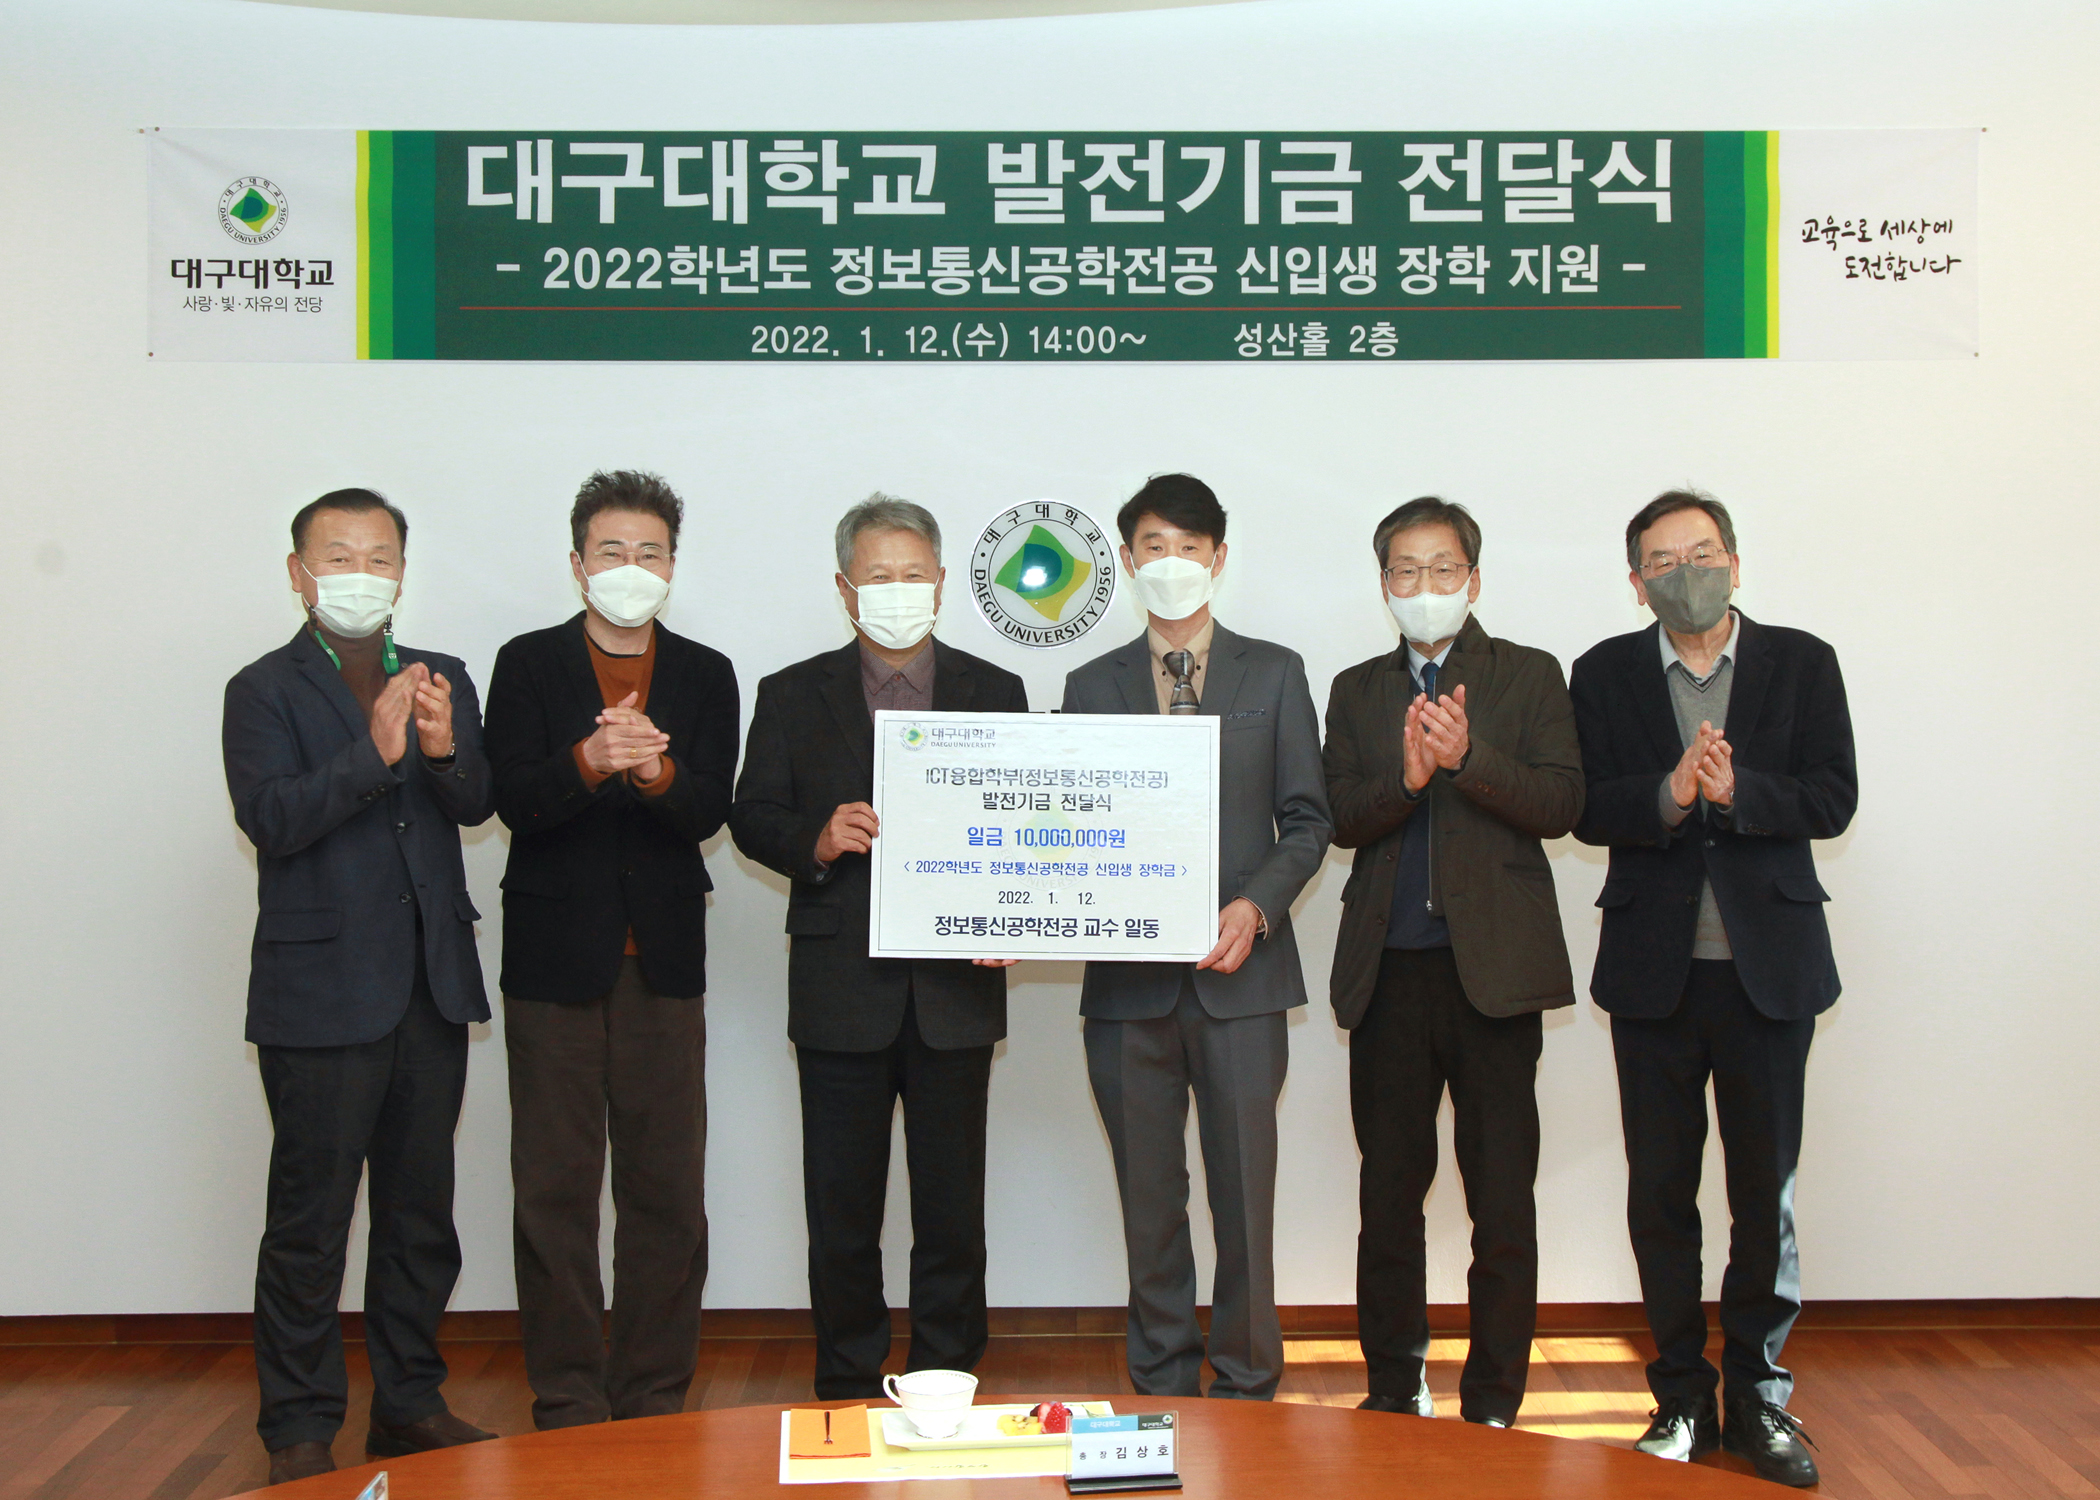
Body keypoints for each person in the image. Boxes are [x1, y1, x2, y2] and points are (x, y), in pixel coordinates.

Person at [1570, 490, 1855, 1487]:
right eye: (1662, 560)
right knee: (1661, 1196)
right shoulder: (1603, 672)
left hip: (1769, 972)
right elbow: (1586, 807)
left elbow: (1833, 796)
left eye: (1701, 552)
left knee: (1762, 1196)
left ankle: (1759, 1401)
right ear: (1636, 580)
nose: (1684, 571)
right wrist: (1672, 793)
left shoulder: (1803, 662)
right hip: (1653, 976)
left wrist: (1739, 793)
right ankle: (1682, 1399)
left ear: (1735, 561)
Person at [222, 488, 497, 1486]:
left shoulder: (442, 675)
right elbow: (271, 817)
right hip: (320, 995)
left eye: (379, 558)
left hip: (429, 985)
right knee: (311, 1223)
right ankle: (298, 1426)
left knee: (421, 1217)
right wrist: (373, 756)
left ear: (402, 573)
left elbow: (476, 803)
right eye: (339, 557)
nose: (360, 574)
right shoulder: (262, 689)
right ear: (299, 573)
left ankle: (409, 1404)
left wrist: (440, 750)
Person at [729, 495, 1028, 1399]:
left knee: (952, 1210)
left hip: (955, 993)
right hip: (839, 988)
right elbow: (751, 815)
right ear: (844, 587)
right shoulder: (791, 692)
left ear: (940, 584)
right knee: (842, 1210)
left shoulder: (996, 689)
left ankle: (948, 1379)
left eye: (912, 575)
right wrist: (815, 840)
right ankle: (849, 1381)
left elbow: (1024, 827)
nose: (896, 591)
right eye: (877, 577)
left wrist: (1017, 914)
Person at [1058, 473, 1332, 1400]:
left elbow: (1308, 821)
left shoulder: (1275, 671)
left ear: (1217, 557)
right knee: (1149, 1202)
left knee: (1244, 1195)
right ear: (1126, 560)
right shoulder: (1089, 684)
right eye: (1152, 546)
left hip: (1242, 979)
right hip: (1127, 991)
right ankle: (1164, 1379)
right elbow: (1072, 826)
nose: (1169, 562)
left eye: (1187, 546)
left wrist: (1255, 907)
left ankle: (1248, 1379)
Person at [482, 471, 740, 1430]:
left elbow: (710, 809)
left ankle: (652, 1392)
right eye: (612, 552)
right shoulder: (527, 662)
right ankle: (567, 1393)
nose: (631, 568)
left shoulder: (706, 672)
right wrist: (588, 762)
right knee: (553, 1189)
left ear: (672, 565)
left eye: (649, 553)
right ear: (578, 562)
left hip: (663, 964)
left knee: (666, 1189)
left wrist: (659, 770)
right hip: (553, 963)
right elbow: (512, 799)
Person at [1322, 497, 1583, 1427]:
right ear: (1383, 583)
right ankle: (1395, 1385)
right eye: (1406, 570)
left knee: (1501, 1202)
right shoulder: (1356, 690)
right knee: (1388, 1199)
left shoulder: (1528, 673)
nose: (1423, 586)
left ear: (1473, 579)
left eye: (1442, 569)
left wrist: (1469, 760)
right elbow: (1339, 818)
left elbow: (1562, 802)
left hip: (1496, 983)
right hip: (1389, 976)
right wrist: (1406, 782)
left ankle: (1495, 1401)